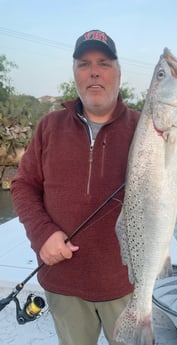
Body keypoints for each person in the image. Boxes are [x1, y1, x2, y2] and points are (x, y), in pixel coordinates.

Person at [11, 29, 140, 345]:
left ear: (119, 73)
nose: (94, 70)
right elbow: (23, 185)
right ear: (75, 74)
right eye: (84, 63)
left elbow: (167, 192)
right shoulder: (49, 126)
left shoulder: (144, 128)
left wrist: (174, 141)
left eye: (104, 63)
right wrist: (43, 235)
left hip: (124, 284)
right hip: (63, 283)